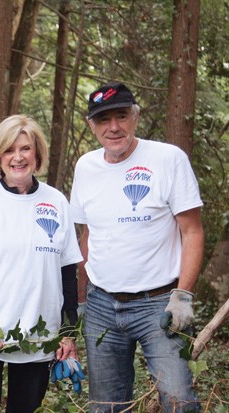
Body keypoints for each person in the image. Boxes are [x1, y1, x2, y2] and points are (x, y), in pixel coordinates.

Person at [70, 82, 204, 412]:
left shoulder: (168, 158)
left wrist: (183, 296)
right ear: (91, 125)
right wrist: (82, 299)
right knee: (106, 405)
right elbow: (89, 235)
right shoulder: (86, 167)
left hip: (159, 302)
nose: (113, 127)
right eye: (103, 120)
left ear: (136, 117)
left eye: (121, 116)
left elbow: (193, 231)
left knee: (179, 401)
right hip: (102, 306)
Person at [0, 115, 83, 413]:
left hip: (38, 335)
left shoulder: (56, 201)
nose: (17, 157)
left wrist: (68, 332)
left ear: (37, 154)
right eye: (9, 150)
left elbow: (67, 273)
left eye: (25, 149)